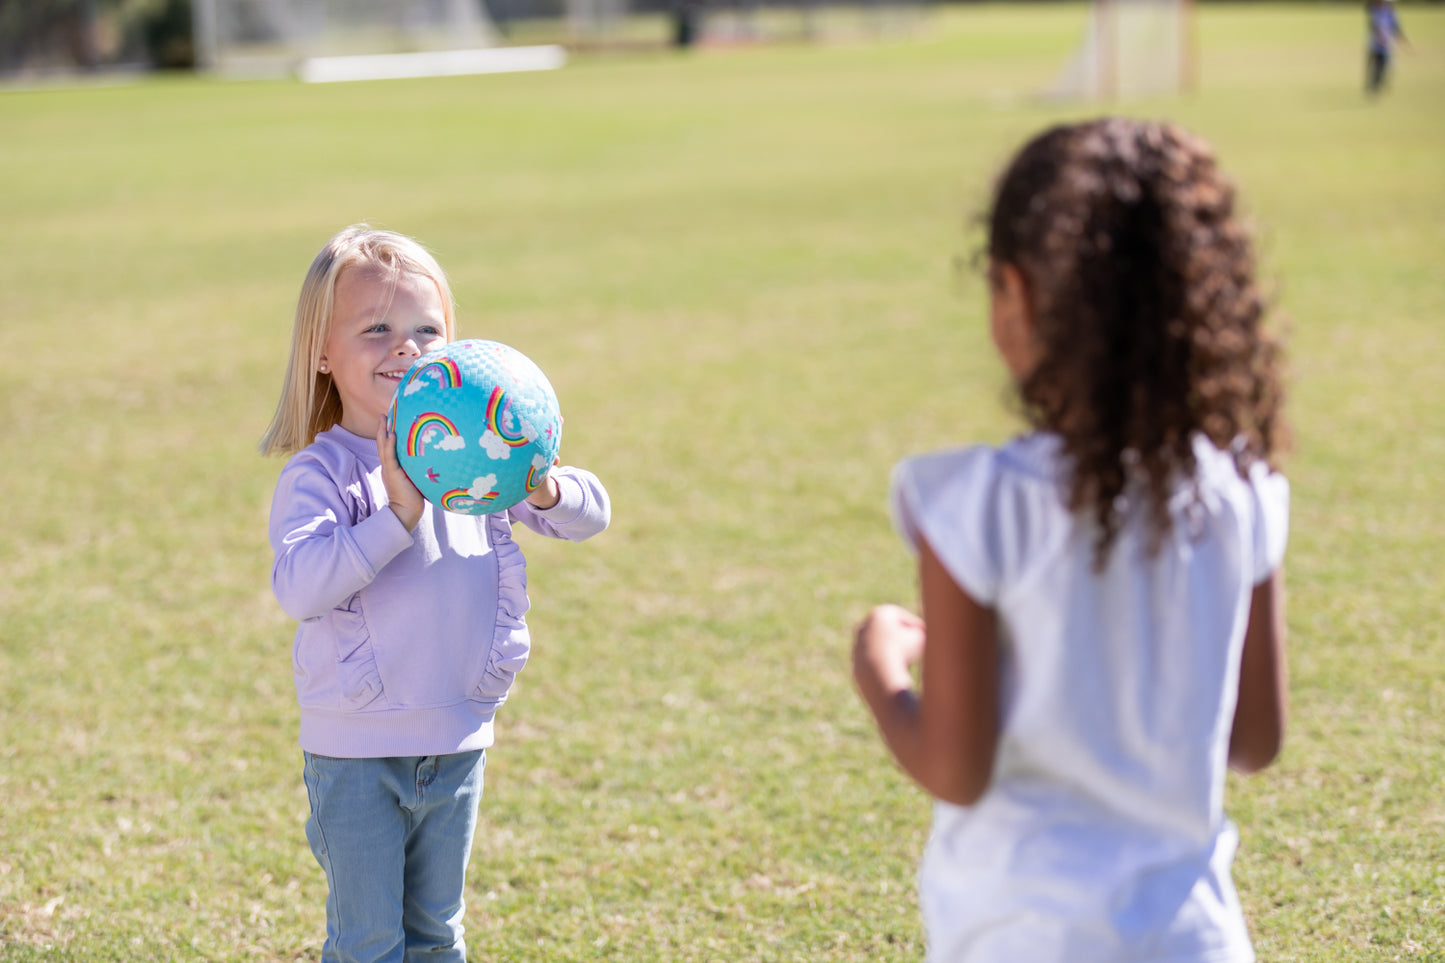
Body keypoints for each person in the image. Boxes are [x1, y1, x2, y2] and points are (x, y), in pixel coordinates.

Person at [851, 119, 1290, 962]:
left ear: (1012, 293)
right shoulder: (1242, 491)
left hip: (1019, 937)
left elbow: (954, 767)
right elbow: (1254, 738)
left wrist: (876, 666)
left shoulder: (975, 504)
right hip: (1194, 938)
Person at [260, 225, 610, 963]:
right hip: (356, 752)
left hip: (456, 740)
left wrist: (539, 480)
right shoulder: (320, 472)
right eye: (376, 328)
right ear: (322, 352)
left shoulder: (474, 448)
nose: (405, 346)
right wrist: (395, 516)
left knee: (437, 936)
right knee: (368, 943)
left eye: (426, 327)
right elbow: (300, 586)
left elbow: (590, 516)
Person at [1366, 0, 1408, 95]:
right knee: (1375, 65)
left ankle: (1379, 83)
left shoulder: (1389, 11)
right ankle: (1373, 86)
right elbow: (1373, 25)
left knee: (1385, 64)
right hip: (1376, 43)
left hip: (1386, 44)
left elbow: (1395, 26)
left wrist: (1402, 39)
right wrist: (1379, 36)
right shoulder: (1374, 10)